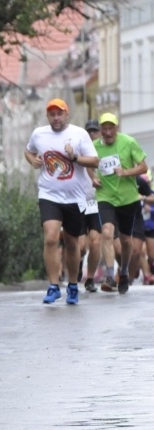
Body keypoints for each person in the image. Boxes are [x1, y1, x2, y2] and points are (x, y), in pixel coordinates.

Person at [24, 98, 99, 304]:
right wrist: (33, 160)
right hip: (49, 194)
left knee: (72, 243)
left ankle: (73, 286)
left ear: (67, 114)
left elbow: (94, 161)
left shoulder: (79, 134)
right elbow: (28, 151)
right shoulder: (39, 134)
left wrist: (74, 157)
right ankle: (53, 286)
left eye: (60, 114)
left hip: (75, 197)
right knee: (50, 238)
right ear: (47, 116)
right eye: (52, 114)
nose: (56, 118)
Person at [93, 112, 149, 294]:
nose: (108, 132)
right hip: (105, 197)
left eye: (111, 128)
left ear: (117, 128)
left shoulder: (128, 142)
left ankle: (123, 272)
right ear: (101, 129)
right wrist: (92, 177)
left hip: (128, 199)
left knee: (126, 241)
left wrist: (126, 172)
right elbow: (86, 164)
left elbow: (143, 166)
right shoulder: (93, 147)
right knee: (107, 233)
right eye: (104, 128)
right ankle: (110, 276)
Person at [81, 119, 104, 293]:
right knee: (80, 246)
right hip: (80, 199)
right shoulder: (80, 150)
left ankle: (90, 278)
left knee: (95, 242)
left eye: (94, 131)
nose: (91, 134)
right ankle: (77, 263)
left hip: (98, 202)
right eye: (89, 131)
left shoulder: (105, 151)